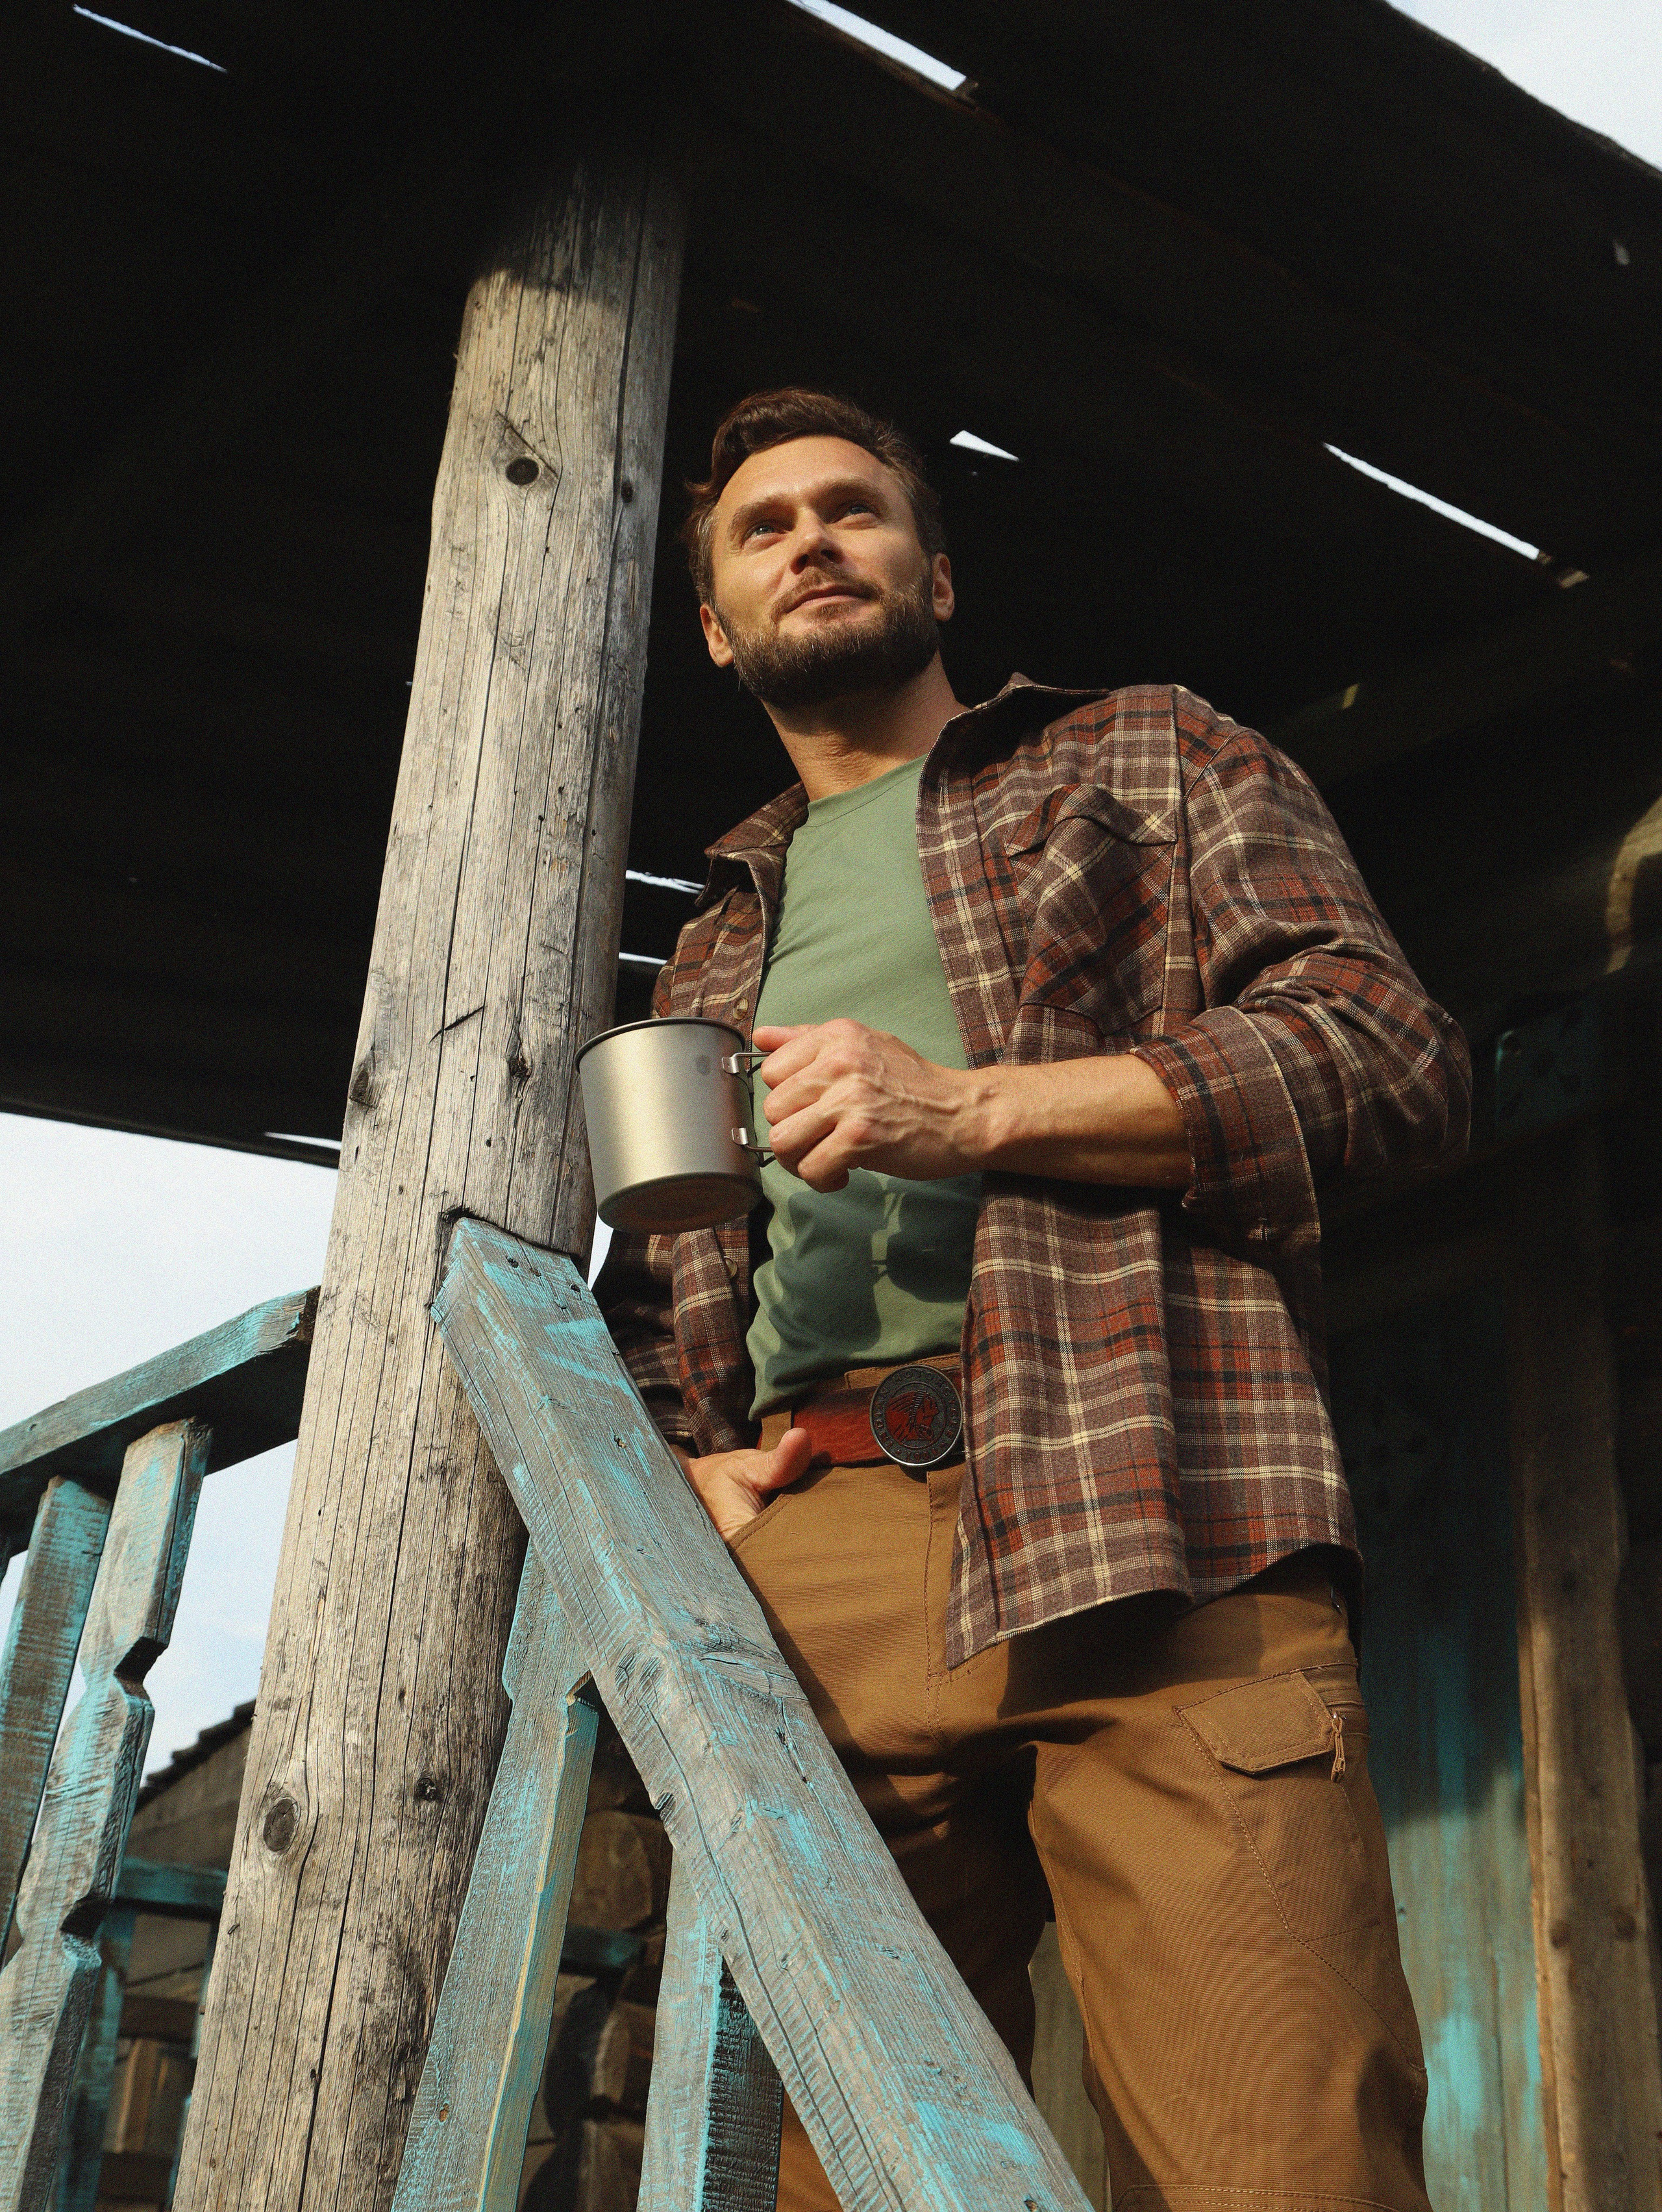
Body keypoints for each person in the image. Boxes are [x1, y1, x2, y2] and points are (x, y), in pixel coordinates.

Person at [596, 387, 1469, 2212]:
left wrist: (965, 1109)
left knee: (1286, 2162)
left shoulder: (1146, 755)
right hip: (810, 1558)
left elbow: (1387, 1059)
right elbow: (650, 1280)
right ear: (713, 625)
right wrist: (680, 1470)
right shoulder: (711, 933)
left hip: (1149, 1493)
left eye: (855, 510)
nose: (813, 541)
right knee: (831, 2176)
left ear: (937, 569)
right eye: (765, 531)